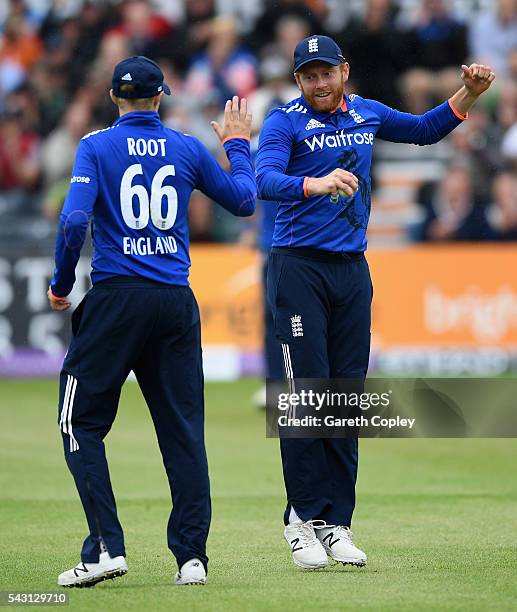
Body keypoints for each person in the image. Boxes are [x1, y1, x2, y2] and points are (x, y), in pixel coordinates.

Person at [256, 34, 495, 570]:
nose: (319, 83)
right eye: (308, 75)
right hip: (299, 268)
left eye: (326, 72)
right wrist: (314, 185)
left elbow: (424, 130)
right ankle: (301, 519)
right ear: (298, 80)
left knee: (346, 399)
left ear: (344, 70)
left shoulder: (367, 112)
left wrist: (469, 93)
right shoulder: (284, 120)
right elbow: (261, 177)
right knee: (307, 395)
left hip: (351, 271)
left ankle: (336, 523)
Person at [47, 55, 255, 587]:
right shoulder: (185, 146)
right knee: (183, 432)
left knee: (80, 424)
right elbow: (245, 201)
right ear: (161, 97)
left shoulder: (96, 145)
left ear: (115, 98)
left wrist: (62, 283)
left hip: (117, 298)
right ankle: (191, 559)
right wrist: (236, 144)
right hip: (174, 301)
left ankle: (105, 549)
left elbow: (73, 220)